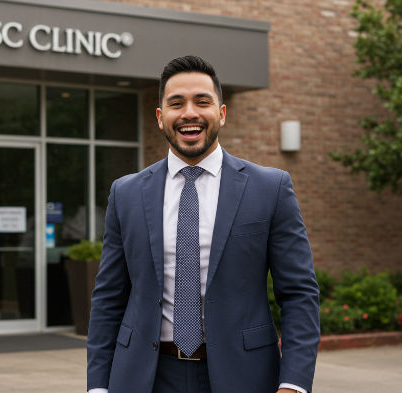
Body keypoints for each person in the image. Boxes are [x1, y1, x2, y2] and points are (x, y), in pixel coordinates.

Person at [86, 55, 320, 393]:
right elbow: (108, 297)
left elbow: (299, 294)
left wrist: (294, 383)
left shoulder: (270, 189)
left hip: (244, 377)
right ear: (160, 117)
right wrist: (97, 386)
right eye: (176, 103)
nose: (189, 113)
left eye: (202, 101)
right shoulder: (126, 193)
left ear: (221, 114)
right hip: (144, 378)